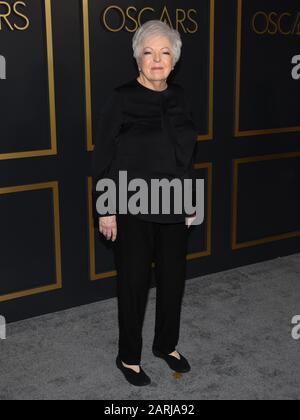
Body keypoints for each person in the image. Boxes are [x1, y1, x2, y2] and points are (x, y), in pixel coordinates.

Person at [92, 20, 198, 387]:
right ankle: (129, 357)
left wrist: (190, 200)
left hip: (173, 203)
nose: (157, 60)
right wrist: (105, 208)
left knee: (173, 282)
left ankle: (165, 344)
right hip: (131, 204)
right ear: (137, 57)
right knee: (134, 285)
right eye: (149, 52)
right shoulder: (121, 97)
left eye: (165, 52)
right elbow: (103, 155)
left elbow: (185, 154)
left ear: (174, 59)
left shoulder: (181, 95)